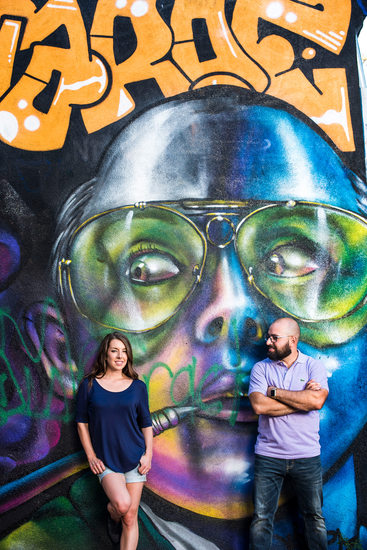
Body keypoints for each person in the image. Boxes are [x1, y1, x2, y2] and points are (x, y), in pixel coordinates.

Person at [248, 317, 329, 549]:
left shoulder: (313, 366)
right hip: (269, 455)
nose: (268, 342)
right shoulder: (261, 368)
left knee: (314, 518)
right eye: (268, 337)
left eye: (275, 338)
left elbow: (316, 400)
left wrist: (273, 392)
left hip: (307, 456)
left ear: (293, 340)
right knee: (262, 519)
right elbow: (259, 406)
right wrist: (300, 399)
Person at [75, 331, 153, 550]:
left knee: (130, 517)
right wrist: (91, 456)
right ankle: (112, 513)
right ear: (106, 355)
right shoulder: (90, 385)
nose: (120, 356)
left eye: (124, 352)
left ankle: (118, 519)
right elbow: (81, 422)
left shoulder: (138, 387)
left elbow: (146, 423)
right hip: (105, 459)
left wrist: (148, 454)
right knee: (121, 504)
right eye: (114, 351)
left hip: (135, 457)